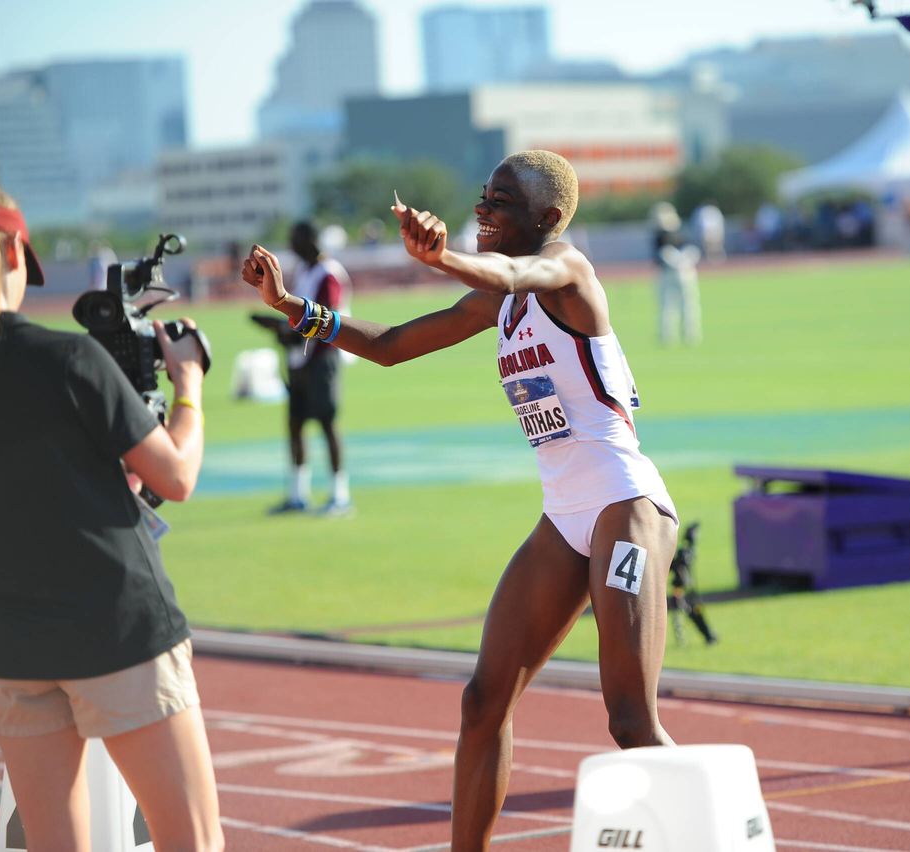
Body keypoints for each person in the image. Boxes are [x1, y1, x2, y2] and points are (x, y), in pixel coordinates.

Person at [242, 150, 679, 852]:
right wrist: (294, 308)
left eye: (500, 201)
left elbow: (514, 270)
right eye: (483, 194)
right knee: (483, 701)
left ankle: (706, 833)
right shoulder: (495, 303)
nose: (483, 208)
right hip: (565, 516)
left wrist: (441, 257)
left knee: (629, 719)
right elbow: (388, 346)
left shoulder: (566, 271)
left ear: (547, 218)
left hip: (623, 506)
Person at [0, 164, 221, 851]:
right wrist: (187, 384)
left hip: (8, 645)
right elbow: (177, 475)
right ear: (10, 251)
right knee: (192, 841)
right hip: (119, 632)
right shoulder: (69, 359)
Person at [271, 220, 353, 516]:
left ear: (310, 240)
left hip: (323, 357)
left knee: (328, 423)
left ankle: (340, 495)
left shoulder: (328, 273)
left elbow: (324, 320)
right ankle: (297, 494)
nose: (291, 245)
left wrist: (288, 332)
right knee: (295, 424)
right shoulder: (305, 270)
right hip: (300, 357)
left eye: (295, 239)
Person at [651, 201, 702, 346]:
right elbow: (663, 254)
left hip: (680, 272)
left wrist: (682, 262)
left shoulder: (678, 232)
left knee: (686, 304)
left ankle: (690, 333)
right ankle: (669, 336)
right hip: (669, 273)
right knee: (670, 306)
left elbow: (691, 250)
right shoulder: (660, 235)